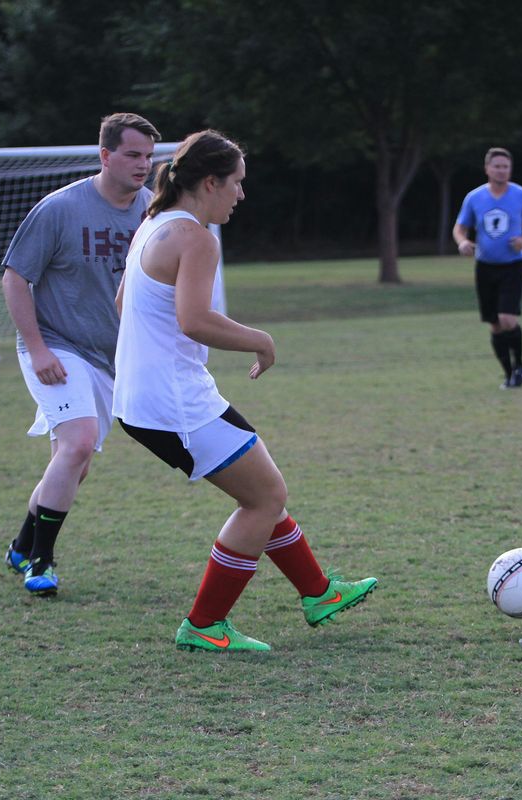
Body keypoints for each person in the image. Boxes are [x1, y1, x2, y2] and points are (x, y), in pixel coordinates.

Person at [111, 130, 377, 652]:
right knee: (265, 497)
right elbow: (193, 320)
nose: (241, 193)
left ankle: (319, 592)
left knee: (262, 490)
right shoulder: (196, 238)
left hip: (149, 397)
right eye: (236, 182)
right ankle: (204, 624)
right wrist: (260, 339)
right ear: (210, 182)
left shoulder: (154, 223)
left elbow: (124, 304)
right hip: (173, 402)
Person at [0, 112, 161, 596]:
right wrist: (37, 349)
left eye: (148, 156)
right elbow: (15, 278)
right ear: (105, 155)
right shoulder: (60, 209)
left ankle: (21, 544)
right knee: (77, 444)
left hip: (110, 358)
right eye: (132, 155)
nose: (143, 165)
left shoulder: (153, 211)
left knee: (75, 462)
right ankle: (40, 562)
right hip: (56, 345)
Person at [452, 147, 522, 389]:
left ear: (510, 169)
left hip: (512, 266)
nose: (502, 171)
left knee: (507, 319)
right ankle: (509, 374)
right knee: (494, 324)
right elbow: (460, 227)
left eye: (506, 167)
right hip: (485, 267)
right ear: (487, 169)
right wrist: (462, 242)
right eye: (497, 166)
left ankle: (520, 365)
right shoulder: (474, 198)